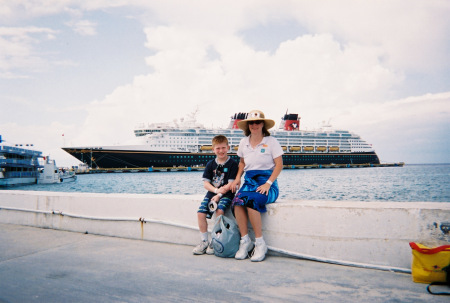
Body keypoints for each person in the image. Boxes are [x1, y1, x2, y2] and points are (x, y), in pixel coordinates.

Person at [230, 110, 283, 262]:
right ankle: (245, 241)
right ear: (248, 126)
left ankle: (260, 243)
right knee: (237, 202)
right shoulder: (243, 142)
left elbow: (279, 165)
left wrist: (268, 183)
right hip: (249, 182)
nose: (254, 125)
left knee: (252, 201)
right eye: (251, 123)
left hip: (267, 183)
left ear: (262, 124)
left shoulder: (271, 141)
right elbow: (242, 162)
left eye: (257, 122)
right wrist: (237, 178)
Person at [193, 135, 239, 255]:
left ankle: (215, 239)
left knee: (219, 212)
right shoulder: (210, 164)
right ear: (213, 149)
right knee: (200, 213)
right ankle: (204, 242)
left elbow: (230, 184)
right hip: (212, 193)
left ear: (228, 147)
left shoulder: (233, 164)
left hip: (227, 194)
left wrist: (219, 195)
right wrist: (215, 191)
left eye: (223, 148)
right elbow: (206, 183)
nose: (221, 151)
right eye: (218, 148)